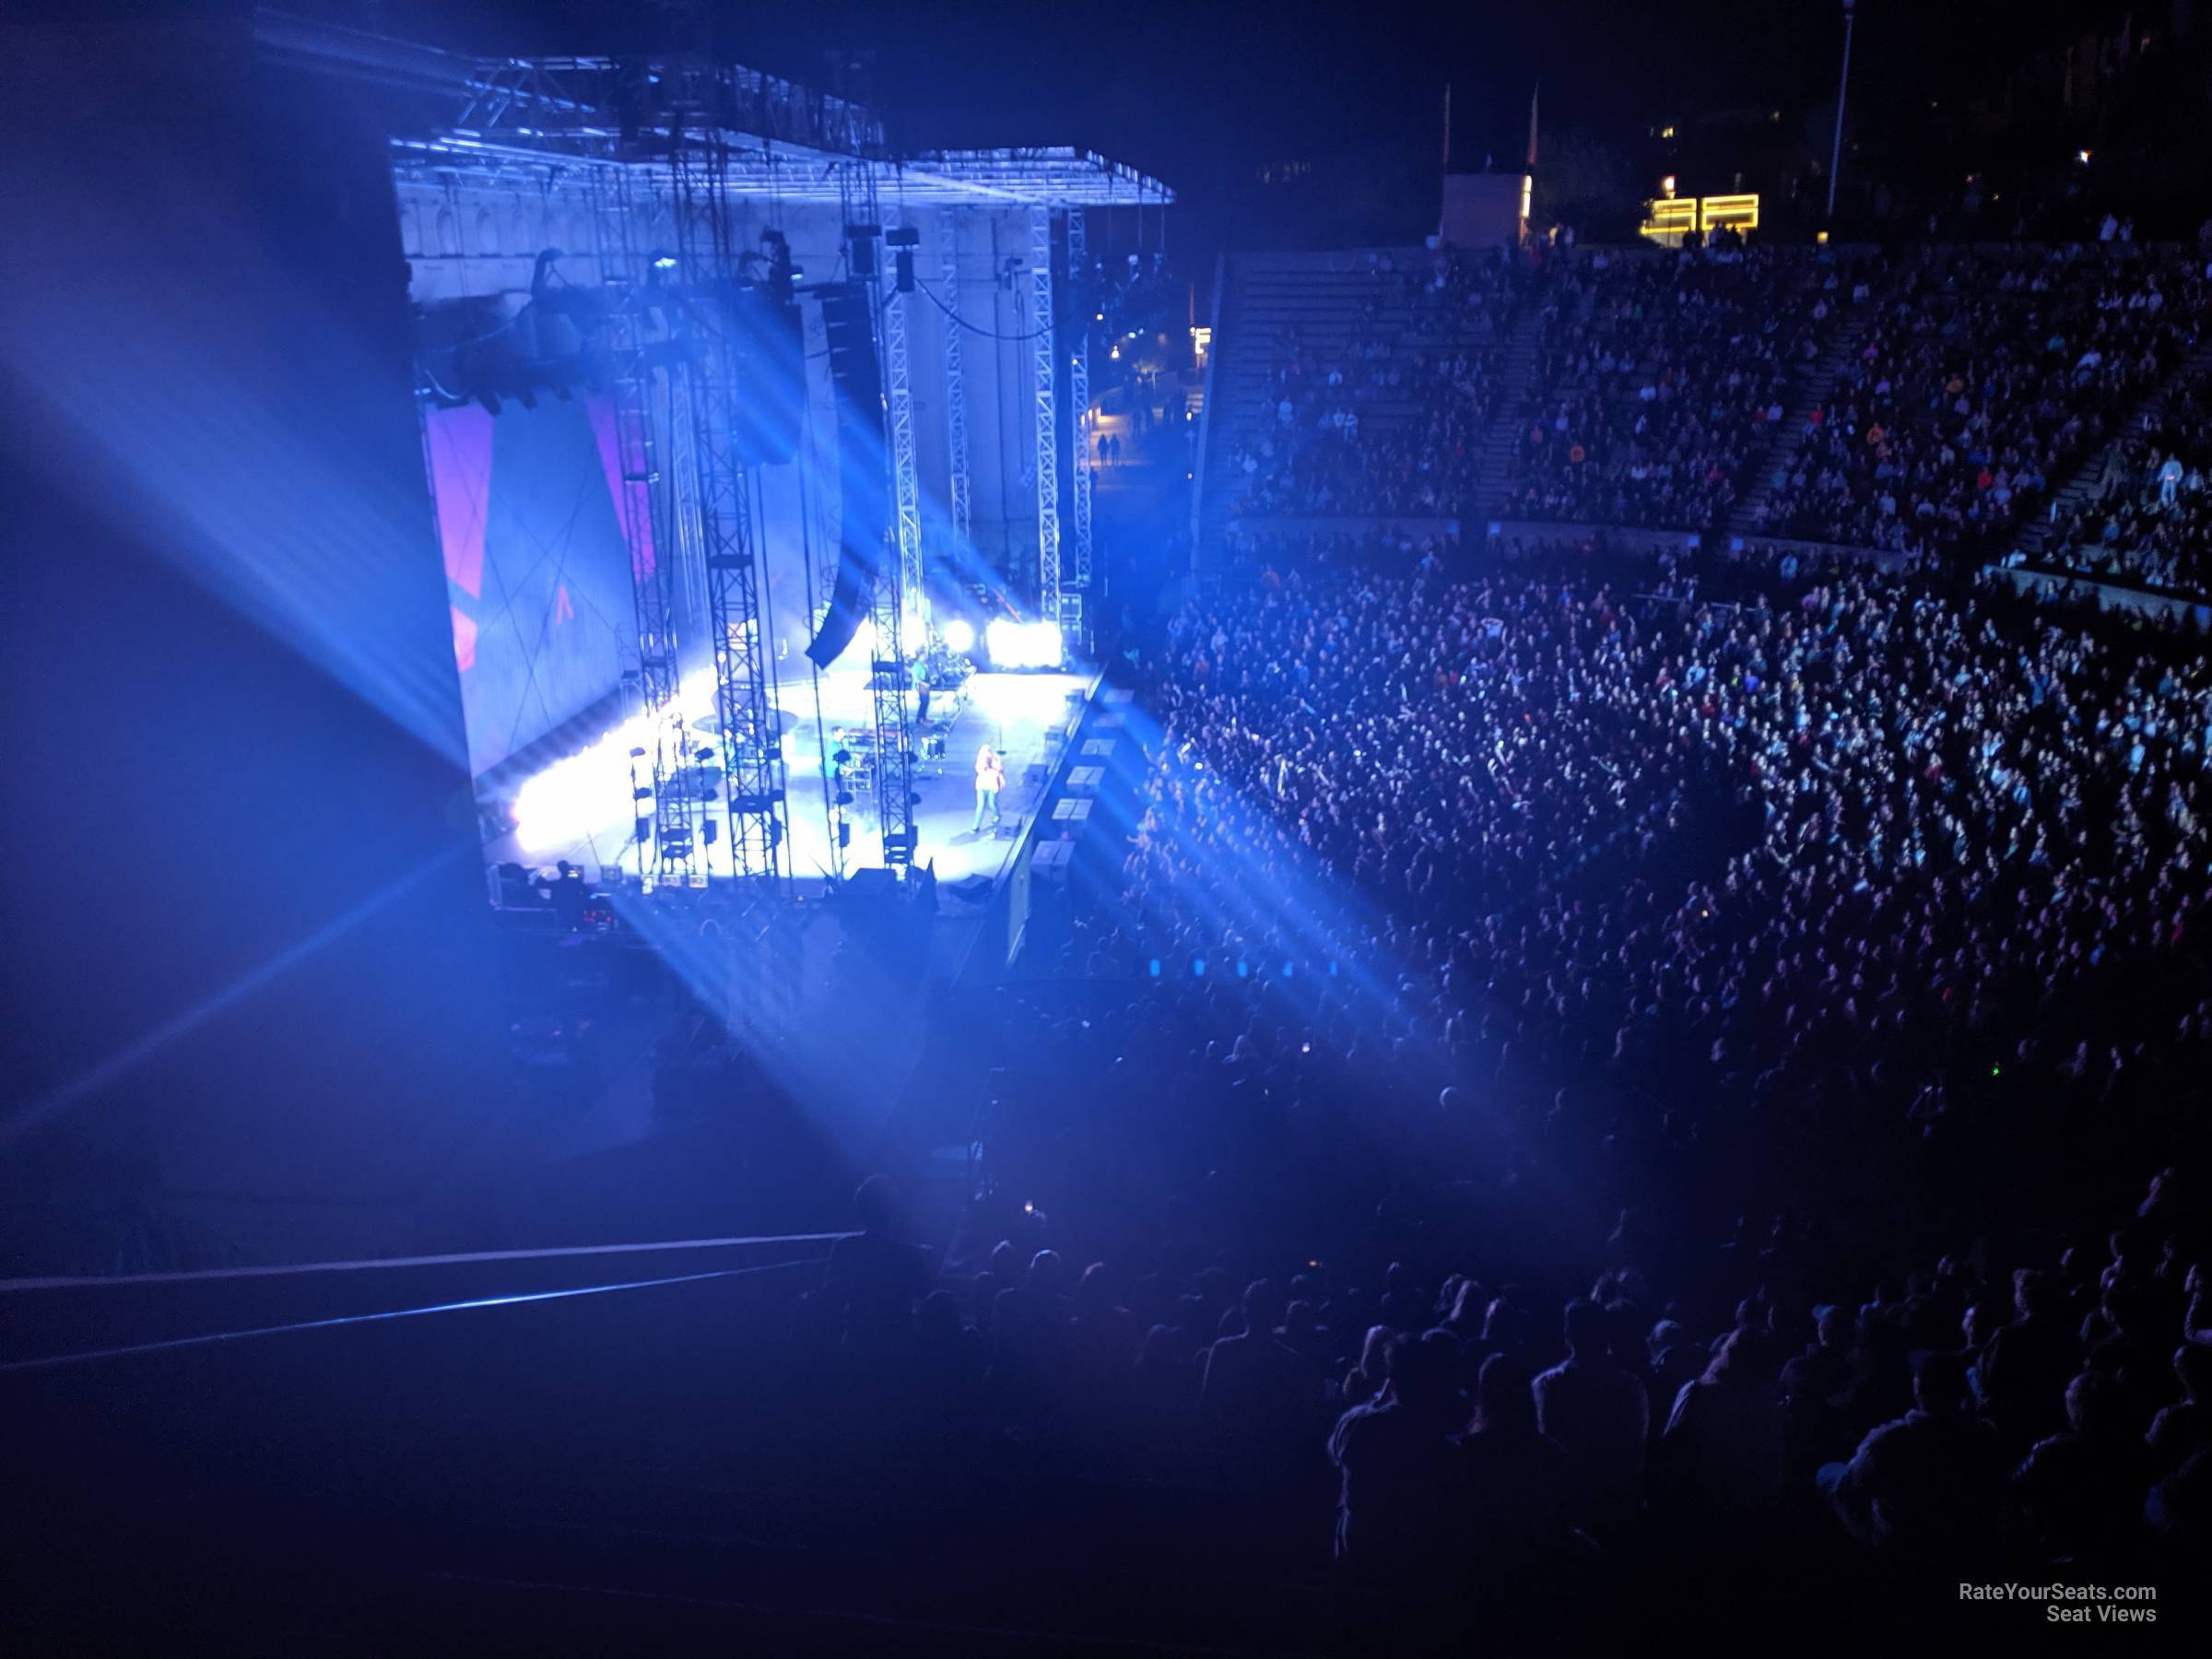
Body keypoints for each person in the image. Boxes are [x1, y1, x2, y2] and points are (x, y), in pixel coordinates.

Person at [973, 743, 1006, 833]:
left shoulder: (995, 759)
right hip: (982, 786)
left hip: (992, 786)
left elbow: (1000, 769)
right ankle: (976, 826)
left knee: (992, 804)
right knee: (980, 807)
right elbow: (979, 769)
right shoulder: (980, 761)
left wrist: (993, 764)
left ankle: (997, 815)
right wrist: (985, 765)